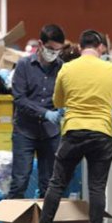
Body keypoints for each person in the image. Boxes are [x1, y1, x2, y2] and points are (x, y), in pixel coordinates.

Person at [27, 29, 112, 223]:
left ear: (80, 46)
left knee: (56, 184)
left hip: (73, 131)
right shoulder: (110, 68)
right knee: (97, 188)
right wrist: (108, 99)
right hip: (101, 133)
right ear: (100, 47)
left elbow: (57, 101)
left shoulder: (67, 68)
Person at [7, 24, 66, 199]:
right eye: (50, 49)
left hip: (51, 133)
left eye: (57, 50)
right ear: (40, 44)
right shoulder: (24, 65)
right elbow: (20, 98)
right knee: (20, 181)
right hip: (25, 131)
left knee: (48, 184)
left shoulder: (62, 68)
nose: (53, 53)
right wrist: (45, 113)